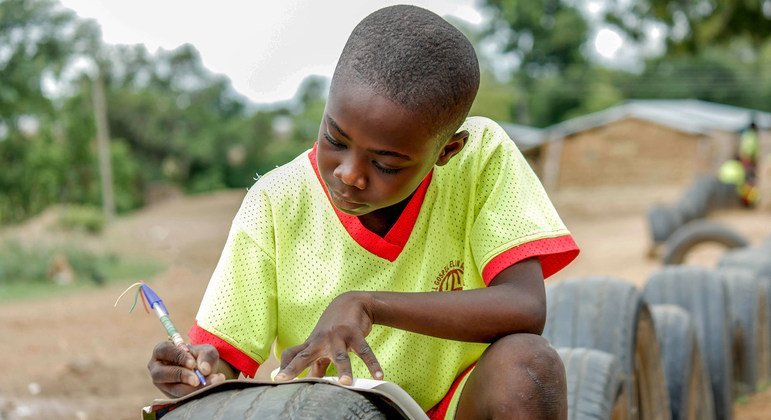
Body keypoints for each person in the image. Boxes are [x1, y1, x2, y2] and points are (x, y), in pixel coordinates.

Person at [147, 5, 579, 419]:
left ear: (447, 151)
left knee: (529, 366)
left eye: (386, 164)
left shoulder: (481, 158)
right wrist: (198, 370)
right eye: (334, 138)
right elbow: (225, 360)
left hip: (458, 405)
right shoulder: (276, 201)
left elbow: (525, 306)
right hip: (329, 411)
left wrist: (368, 305)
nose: (349, 174)